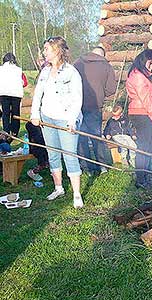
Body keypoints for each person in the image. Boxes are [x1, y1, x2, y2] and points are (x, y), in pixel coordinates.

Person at [30, 36, 84, 209]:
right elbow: (38, 94)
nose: (44, 52)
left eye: (47, 49)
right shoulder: (45, 71)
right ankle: (58, 188)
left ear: (57, 51)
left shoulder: (71, 72)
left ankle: (76, 194)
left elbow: (77, 98)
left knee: (69, 155)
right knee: (53, 154)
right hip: (47, 118)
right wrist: (35, 114)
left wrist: (72, 120)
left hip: (65, 119)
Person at [73, 46, 117, 175]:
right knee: (96, 136)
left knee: (81, 136)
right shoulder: (106, 66)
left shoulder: (77, 63)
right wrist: (100, 93)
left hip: (77, 106)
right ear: (102, 56)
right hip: (95, 107)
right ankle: (102, 166)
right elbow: (111, 89)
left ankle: (86, 167)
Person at [126, 49, 152, 189]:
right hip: (141, 114)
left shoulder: (140, 74)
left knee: (150, 145)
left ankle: (146, 175)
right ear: (145, 60)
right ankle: (140, 179)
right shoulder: (138, 77)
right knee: (144, 147)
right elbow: (146, 101)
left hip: (145, 113)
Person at [0, 53, 28, 139]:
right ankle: (15, 132)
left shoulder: (0, 69)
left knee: (5, 113)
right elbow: (24, 83)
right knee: (16, 113)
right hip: (16, 94)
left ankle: (6, 131)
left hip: (3, 93)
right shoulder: (19, 70)